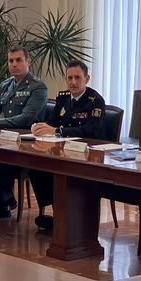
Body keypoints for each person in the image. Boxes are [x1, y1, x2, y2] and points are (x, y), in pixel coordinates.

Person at [0, 46, 48, 219]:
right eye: (11, 60)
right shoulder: (6, 85)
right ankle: (1, 200)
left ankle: (3, 203)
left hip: (27, 142)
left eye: (19, 60)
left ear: (28, 62)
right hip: (6, 137)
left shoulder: (38, 87)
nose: (14, 64)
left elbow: (26, 118)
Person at [28, 60, 107, 231]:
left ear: (87, 79)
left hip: (88, 154)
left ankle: (67, 221)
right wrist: (40, 127)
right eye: (69, 78)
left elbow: (90, 130)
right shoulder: (63, 98)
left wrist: (58, 130)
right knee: (36, 166)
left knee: (61, 170)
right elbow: (53, 121)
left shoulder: (95, 101)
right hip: (63, 150)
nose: (73, 82)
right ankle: (60, 216)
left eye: (77, 78)